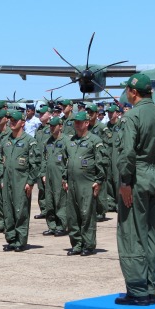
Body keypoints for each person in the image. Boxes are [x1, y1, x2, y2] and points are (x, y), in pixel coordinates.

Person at [115, 73, 155, 306]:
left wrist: (125, 182)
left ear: (134, 92)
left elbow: (127, 153)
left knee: (132, 233)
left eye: (128, 89)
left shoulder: (132, 116)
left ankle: (137, 290)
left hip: (137, 176)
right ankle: (150, 287)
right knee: (150, 234)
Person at [62, 111, 106, 256]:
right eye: (75, 122)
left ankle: (88, 244)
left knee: (87, 214)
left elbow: (102, 162)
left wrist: (98, 181)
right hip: (72, 183)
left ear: (87, 123)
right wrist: (64, 178)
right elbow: (65, 161)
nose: (76, 124)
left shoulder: (95, 140)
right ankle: (76, 244)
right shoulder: (70, 141)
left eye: (79, 122)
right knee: (72, 215)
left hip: (87, 183)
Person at [0, 110, 41, 252]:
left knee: (20, 210)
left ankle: (20, 241)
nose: (12, 122)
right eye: (10, 120)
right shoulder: (5, 140)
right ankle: (11, 239)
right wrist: (2, 177)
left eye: (15, 121)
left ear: (22, 123)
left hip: (21, 181)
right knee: (8, 210)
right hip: (8, 181)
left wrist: (30, 182)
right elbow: (0, 160)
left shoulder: (30, 141)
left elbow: (35, 164)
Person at [40, 116, 67, 236]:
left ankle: (61, 225)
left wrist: (65, 176)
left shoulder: (66, 142)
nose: (51, 128)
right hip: (49, 175)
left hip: (60, 175)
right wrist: (43, 174)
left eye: (53, 126)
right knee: (49, 200)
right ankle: (52, 225)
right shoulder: (47, 142)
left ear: (60, 126)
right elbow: (44, 159)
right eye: (50, 125)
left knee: (60, 200)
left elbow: (69, 161)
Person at [87, 103, 113, 219]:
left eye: (91, 113)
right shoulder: (87, 127)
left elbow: (110, 140)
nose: (89, 115)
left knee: (101, 185)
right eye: (88, 113)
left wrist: (104, 156)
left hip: (100, 159)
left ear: (96, 114)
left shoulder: (102, 127)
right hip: (90, 160)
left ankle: (101, 211)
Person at [33, 105, 53, 220]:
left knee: (50, 189)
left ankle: (51, 211)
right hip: (39, 163)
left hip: (49, 162)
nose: (40, 115)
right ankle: (44, 210)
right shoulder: (38, 129)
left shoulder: (52, 128)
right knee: (41, 188)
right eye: (39, 113)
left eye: (43, 113)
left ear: (49, 114)